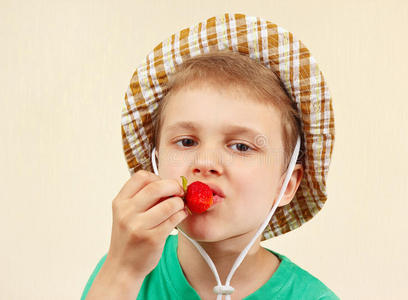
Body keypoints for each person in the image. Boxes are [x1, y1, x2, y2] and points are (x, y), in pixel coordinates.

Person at [81, 13, 338, 300]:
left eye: (241, 147)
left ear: (287, 184)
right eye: (187, 141)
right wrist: (122, 271)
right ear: (155, 164)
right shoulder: (124, 272)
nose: (204, 162)